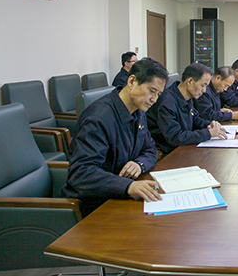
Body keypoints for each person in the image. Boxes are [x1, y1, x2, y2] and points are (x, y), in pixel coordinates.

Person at [63, 57, 167, 215]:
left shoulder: (138, 111)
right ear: (132, 81)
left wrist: (139, 164)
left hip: (121, 196)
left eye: (158, 94)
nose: (154, 99)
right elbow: (81, 173)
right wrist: (128, 186)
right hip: (95, 205)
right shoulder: (98, 118)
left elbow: (150, 148)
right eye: (152, 91)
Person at [146, 63, 227, 157]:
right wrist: (208, 133)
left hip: (183, 146)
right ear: (190, 81)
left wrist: (209, 125)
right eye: (203, 85)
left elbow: (195, 119)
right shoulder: (167, 102)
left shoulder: (187, 97)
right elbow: (175, 137)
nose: (204, 90)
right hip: (169, 152)